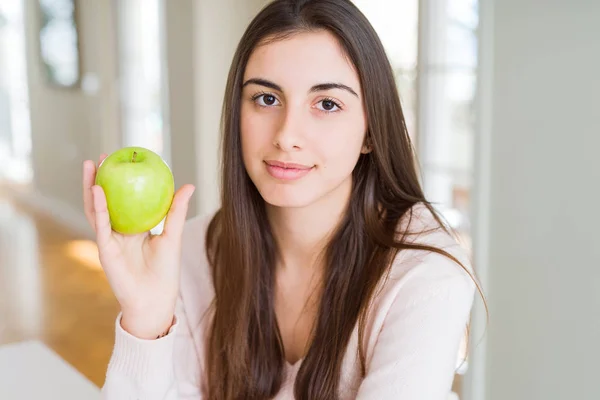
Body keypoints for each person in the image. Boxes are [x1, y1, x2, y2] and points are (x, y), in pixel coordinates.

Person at [83, 0, 481, 398]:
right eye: (266, 99)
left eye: (327, 104)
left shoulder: (423, 274)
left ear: (371, 132)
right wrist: (146, 320)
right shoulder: (188, 252)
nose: (286, 135)